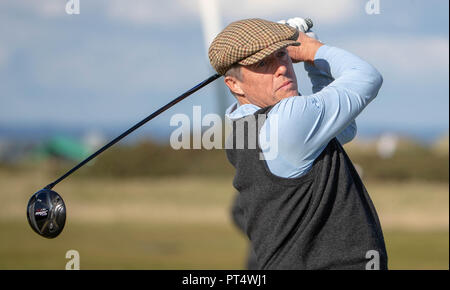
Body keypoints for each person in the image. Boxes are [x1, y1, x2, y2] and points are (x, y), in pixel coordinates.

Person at [209, 17, 388, 270]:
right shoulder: (287, 121)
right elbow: (368, 78)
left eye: (282, 55)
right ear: (234, 84)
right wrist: (313, 50)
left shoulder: (242, 131)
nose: (281, 67)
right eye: (262, 63)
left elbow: (342, 130)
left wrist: (314, 62)